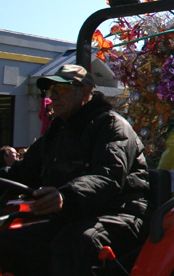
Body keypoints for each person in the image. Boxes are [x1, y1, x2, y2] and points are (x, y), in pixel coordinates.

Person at [0, 65, 150, 276]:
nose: (55, 97)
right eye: (53, 91)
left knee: (72, 243)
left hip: (120, 212)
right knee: (8, 241)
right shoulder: (56, 134)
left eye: (63, 90)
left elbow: (108, 176)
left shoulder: (112, 126)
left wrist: (66, 195)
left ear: (87, 91)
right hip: (73, 215)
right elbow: (21, 172)